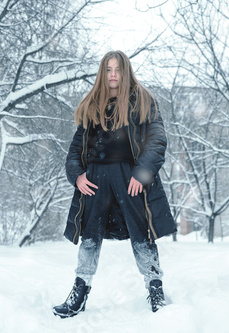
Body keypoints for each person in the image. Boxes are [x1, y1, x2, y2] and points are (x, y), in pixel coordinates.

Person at [53, 50, 177, 318]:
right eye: (108, 69)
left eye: (117, 69)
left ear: (125, 71)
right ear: (102, 72)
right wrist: (77, 175)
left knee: (142, 234)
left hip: (129, 176)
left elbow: (157, 141)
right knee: (89, 235)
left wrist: (142, 173)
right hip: (95, 178)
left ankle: (155, 288)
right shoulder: (92, 104)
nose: (112, 75)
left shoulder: (143, 100)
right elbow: (76, 148)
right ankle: (80, 291)